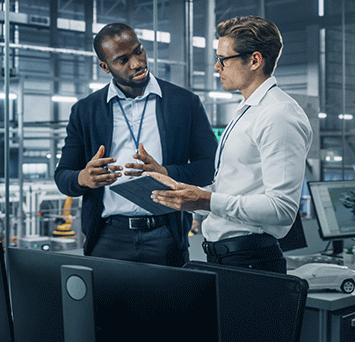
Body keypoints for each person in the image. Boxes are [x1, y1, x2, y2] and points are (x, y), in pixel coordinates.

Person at [150, 16, 313, 274]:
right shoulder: (247, 110)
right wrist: (189, 194)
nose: (217, 67)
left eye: (223, 59)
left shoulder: (278, 114)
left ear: (255, 60)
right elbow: (236, 185)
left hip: (251, 259)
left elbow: (282, 208)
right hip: (227, 258)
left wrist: (207, 201)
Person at [54, 23, 218, 267]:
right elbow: (62, 176)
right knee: (108, 306)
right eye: (122, 60)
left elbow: (210, 166)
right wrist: (83, 178)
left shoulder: (184, 103)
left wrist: (167, 173)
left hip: (166, 235)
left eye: (139, 51)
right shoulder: (85, 111)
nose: (137, 63)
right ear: (105, 67)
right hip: (108, 237)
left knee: (169, 305)